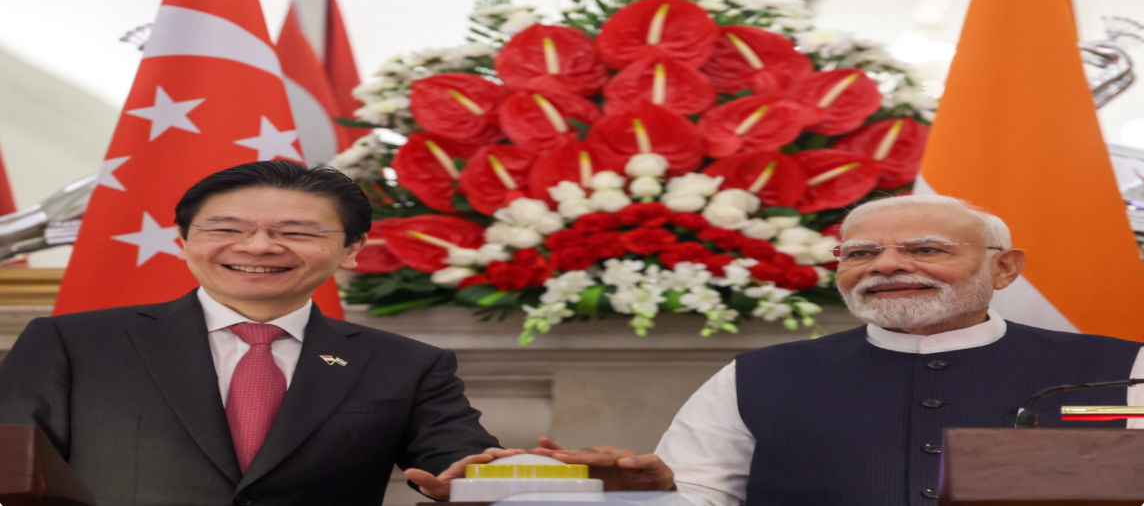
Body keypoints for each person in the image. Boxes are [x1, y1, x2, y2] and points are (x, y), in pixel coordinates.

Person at [533, 195, 1144, 506]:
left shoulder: (1119, 369)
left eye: (925, 250)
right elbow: (701, 497)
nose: (888, 266)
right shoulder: (759, 377)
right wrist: (651, 489)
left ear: (1005, 269)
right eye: (860, 254)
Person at [0, 161, 514, 506]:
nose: (259, 247)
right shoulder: (73, 345)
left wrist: (502, 473)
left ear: (352, 249)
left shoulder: (407, 364)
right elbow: (12, 471)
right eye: (225, 230)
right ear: (183, 242)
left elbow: (463, 462)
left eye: (296, 232)